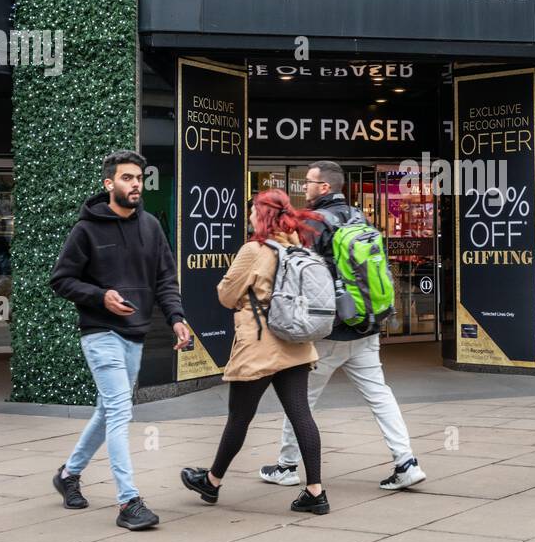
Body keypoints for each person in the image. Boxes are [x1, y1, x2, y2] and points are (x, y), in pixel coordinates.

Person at [257, 160, 426, 491]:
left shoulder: (315, 224)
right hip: (367, 324)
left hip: (330, 329)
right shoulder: (359, 217)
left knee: (301, 398)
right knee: (379, 394)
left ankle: (287, 465)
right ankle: (406, 461)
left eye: (308, 182)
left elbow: (302, 274)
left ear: (324, 187)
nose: (303, 187)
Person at [49, 150, 192, 531]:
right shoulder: (86, 229)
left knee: (108, 409)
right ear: (108, 183)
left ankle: (68, 474)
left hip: (135, 334)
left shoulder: (151, 227)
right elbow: (61, 279)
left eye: (139, 178)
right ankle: (129, 501)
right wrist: (100, 296)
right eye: (127, 178)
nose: (135, 185)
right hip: (100, 333)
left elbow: (165, 279)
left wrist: (177, 319)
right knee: (119, 411)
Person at [180, 189, 330, 515]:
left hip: (260, 347)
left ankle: (212, 481)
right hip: (296, 344)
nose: (248, 215)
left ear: (261, 216)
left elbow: (225, 293)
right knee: (301, 415)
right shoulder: (296, 246)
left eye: (252, 211)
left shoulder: (254, 249)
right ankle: (315, 491)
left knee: (239, 417)